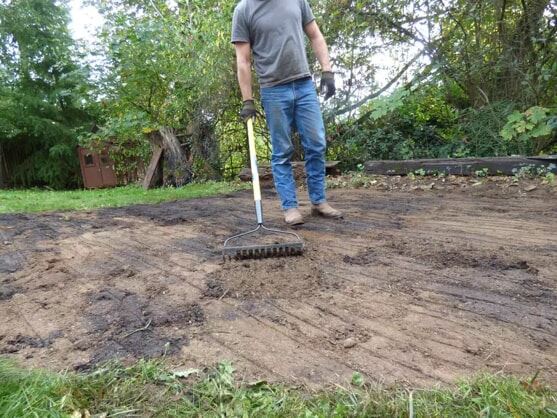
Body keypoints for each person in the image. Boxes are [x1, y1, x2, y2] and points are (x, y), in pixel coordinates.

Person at [231, 0, 343, 225]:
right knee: (282, 150)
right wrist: (248, 100)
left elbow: (315, 35)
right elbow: (243, 60)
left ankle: (319, 201)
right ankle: (290, 207)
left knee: (316, 143)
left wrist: (327, 70)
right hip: (273, 89)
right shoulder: (243, 10)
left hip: (304, 85)